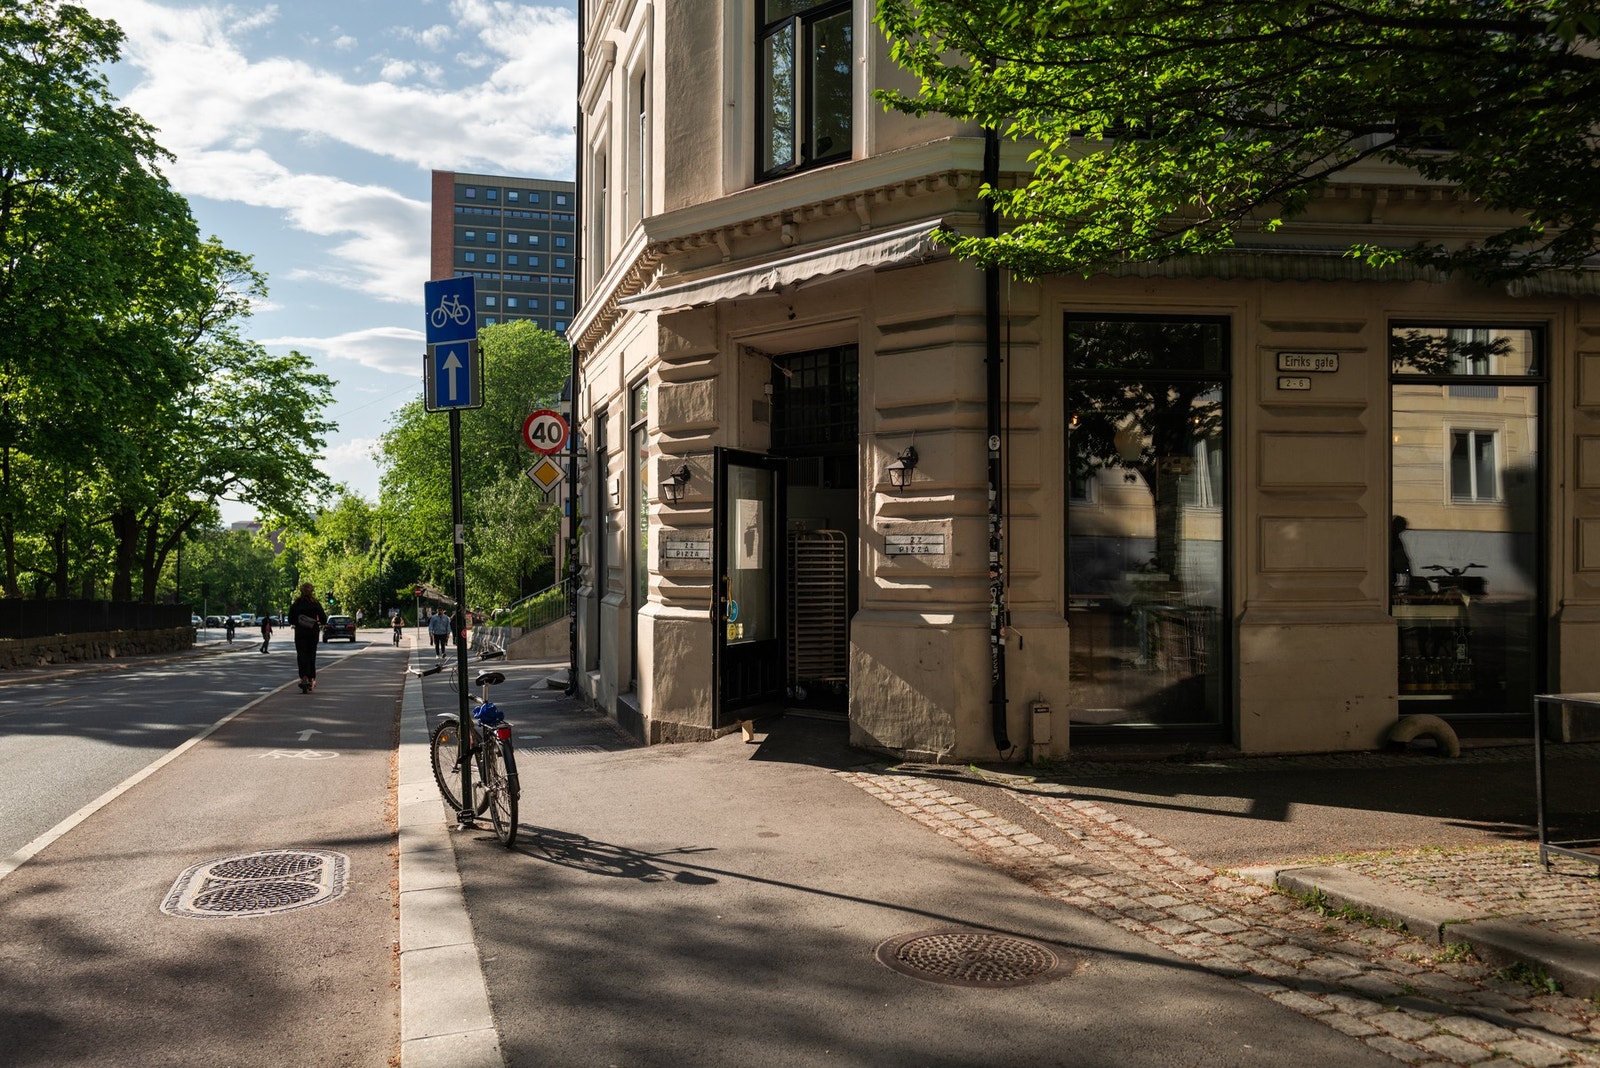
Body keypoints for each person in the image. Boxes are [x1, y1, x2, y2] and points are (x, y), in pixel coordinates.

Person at [288, 582, 327, 693]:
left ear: (301, 591)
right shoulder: (315, 603)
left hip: (300, 633)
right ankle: (311, 679)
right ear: (312, 591)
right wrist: (317, 622)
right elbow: (323, 618)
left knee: (301, 655)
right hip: (312, 632)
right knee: (311, 655)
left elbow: (290, 619)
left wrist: (298, 621)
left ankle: (303, 678)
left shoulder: (296, 603)